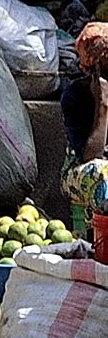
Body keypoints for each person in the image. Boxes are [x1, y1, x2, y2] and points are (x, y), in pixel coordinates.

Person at [58, 23, 108, 222]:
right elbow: (90, 156)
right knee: (103, 174)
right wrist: (103, 105)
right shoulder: (75, 96)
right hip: (81, 172)